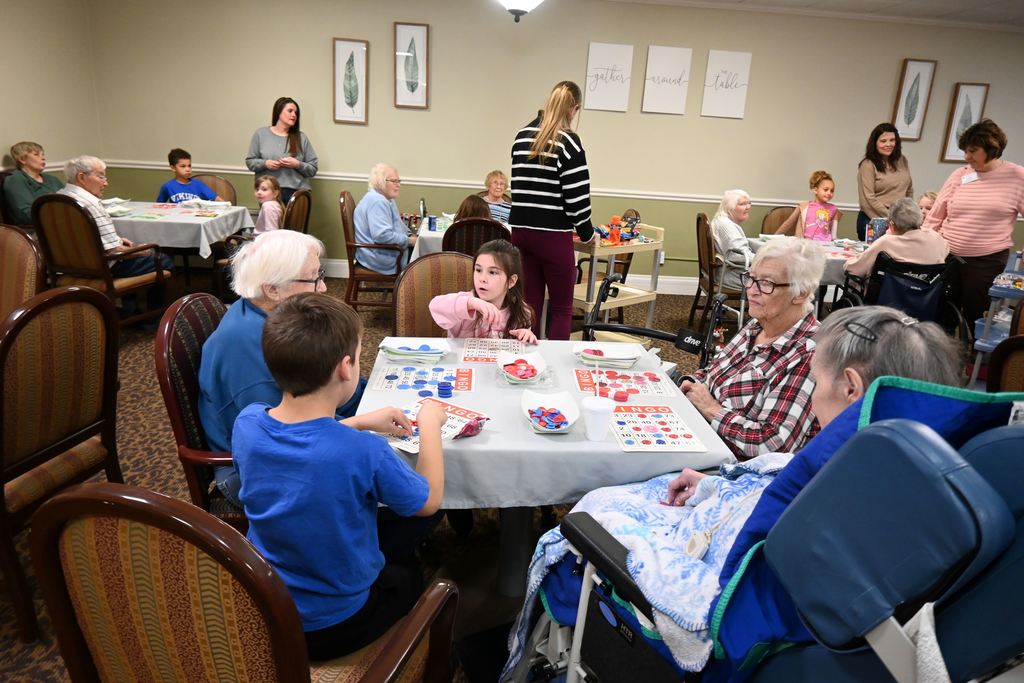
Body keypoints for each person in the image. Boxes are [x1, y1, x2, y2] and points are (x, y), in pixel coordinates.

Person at [502, 306, 966, 680]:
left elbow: (714, 603)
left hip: (719, 612)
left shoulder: (827, 504)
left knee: (592, 513)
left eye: (817, 383)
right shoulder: (910, 471)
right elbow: (780, 485)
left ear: (851, 388)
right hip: (772, 561)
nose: (812, 398)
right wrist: (718, 486)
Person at [232, 292, 446, 661]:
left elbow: (304, 446)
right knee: (408, 572)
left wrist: (358, 421)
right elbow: (428, 501)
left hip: (268, 606)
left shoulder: (247, 422)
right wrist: (430, 424)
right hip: (337, 626)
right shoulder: (363, 451)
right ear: (345, 368)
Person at [198, 230, 365, 506]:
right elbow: (291, 433)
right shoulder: (247, 343)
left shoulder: (270, 319)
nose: (324, 288)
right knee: (407, 480)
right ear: (272, 289)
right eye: (314, 278)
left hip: (288, 445)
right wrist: (363, 424)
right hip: (256, 474)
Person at [680, 236, 825, 460]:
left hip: (731, 464)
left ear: (801, 293)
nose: (752, 290)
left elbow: (772, 444)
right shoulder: (758, 325)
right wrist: (689, 384)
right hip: (700, 432)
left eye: (766, 283)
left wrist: (711, 409)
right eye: (751, 278)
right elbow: (713, 373)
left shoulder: (811, 355)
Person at [508, 80, 596, 341]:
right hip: (552, 236)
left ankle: (526, 360)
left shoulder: (521, 136)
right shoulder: (569, 142)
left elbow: (518, 187)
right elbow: (577, 197)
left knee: (529, 306)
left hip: (521, 232)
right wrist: (587, 232)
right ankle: (557, 363)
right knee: (561, 308)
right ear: (574, 109)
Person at [922, 119, 1024, 324]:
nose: (966, 157)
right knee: (942, 313)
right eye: (965, 151)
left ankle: (972, 346)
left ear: (992, 149)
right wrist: (923, 243)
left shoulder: (1017, 176)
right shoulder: (960, 174)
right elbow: (935, 215)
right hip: (948, 256)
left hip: (986, 263)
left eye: (973, 151)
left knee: (977, 315)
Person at [57, 155, 173, 286]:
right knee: (162, 258)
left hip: (67, 268)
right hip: (102, 269)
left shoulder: (56, 199)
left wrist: (117, 240)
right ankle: (149, 300)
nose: (106, 183)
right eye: (101, 177)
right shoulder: (89, 204)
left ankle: (129, 299)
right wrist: (139, 250)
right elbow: (114, 252)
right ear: (82, 177)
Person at [429, 239, 537, 343]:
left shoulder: (521, 312)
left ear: (511, 281)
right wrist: (472, 303)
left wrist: (525, 335)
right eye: (478, 270)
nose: (482, 279)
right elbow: (435, 305)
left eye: (492, 272)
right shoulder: (466, 303)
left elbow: (520, 350)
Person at [844, 197, 949, 278]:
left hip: (888, 296)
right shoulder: (937, 239)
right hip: (925, 296)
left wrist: (849, 262)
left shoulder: (886, 242)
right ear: (920, 219)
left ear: (892, 225)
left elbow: (854, 269)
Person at [246, 97, 318, 205]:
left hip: (297, 193)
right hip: (269, 193)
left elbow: (313, 169)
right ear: (278, 111)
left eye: (296, 113)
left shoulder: (301, 138)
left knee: (295, 218)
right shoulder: (261, 134)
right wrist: (265, 163)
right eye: (290, 111)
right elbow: (250, 162)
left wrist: (297, 164)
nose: (294, 115)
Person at [353, 162, 416, 274]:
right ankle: (409, 284)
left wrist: (410, 235)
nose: (398, 185)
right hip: (378, 256)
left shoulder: (386, 199)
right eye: (394, 181)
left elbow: (399, 224)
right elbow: (382, 236)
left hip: (381, 251)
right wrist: (409, 241)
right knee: (426, 258)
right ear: (380, 181)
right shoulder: (378, 201)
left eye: (399, 181)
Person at [856, 122, 914, 241]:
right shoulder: (868, 165)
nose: (888, 144)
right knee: (876, 253)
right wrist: (891, 218)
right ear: (875, 143)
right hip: (873, 220)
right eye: (883, 141)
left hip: (899, 221)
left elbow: (909, 190)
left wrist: (906, 214)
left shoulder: (902, 160)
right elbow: (868, 198)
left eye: (892, 140)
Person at [3, 141, 63, 225]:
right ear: (22, 159)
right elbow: (25, 214)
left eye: (43, 155)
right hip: (38, 226)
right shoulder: (15, 180)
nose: (43, 158)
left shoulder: (52, 179)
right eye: (36, 154)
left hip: (63, 219)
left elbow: (69, 199)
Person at [777, 170, 843, 241]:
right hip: (805, 243)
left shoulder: (833, 209)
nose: (829, 193)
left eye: (832, 191)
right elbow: (788, 223)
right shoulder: (804, 206)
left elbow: (834, 235)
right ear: (815, 190)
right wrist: (773, 238)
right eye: (826, 189)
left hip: (825, 244)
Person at [710, 189, 756, 290]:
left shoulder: (722, 220)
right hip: (732, 276)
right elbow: (737, 256)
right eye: (742, 204)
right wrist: (764, 259)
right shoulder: (726, 226)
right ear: (730, 208)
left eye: (749, 203)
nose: (748, 207)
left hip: (730, 272)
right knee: (779, 280)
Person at [155, 148, 222, 203]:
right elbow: (158, 205)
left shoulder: (198, 184)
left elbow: (216, 199)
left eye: (189, 166)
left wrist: (226, 207)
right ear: (173, 168)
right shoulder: (168, 186)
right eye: (183, 166)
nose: (188, 169)